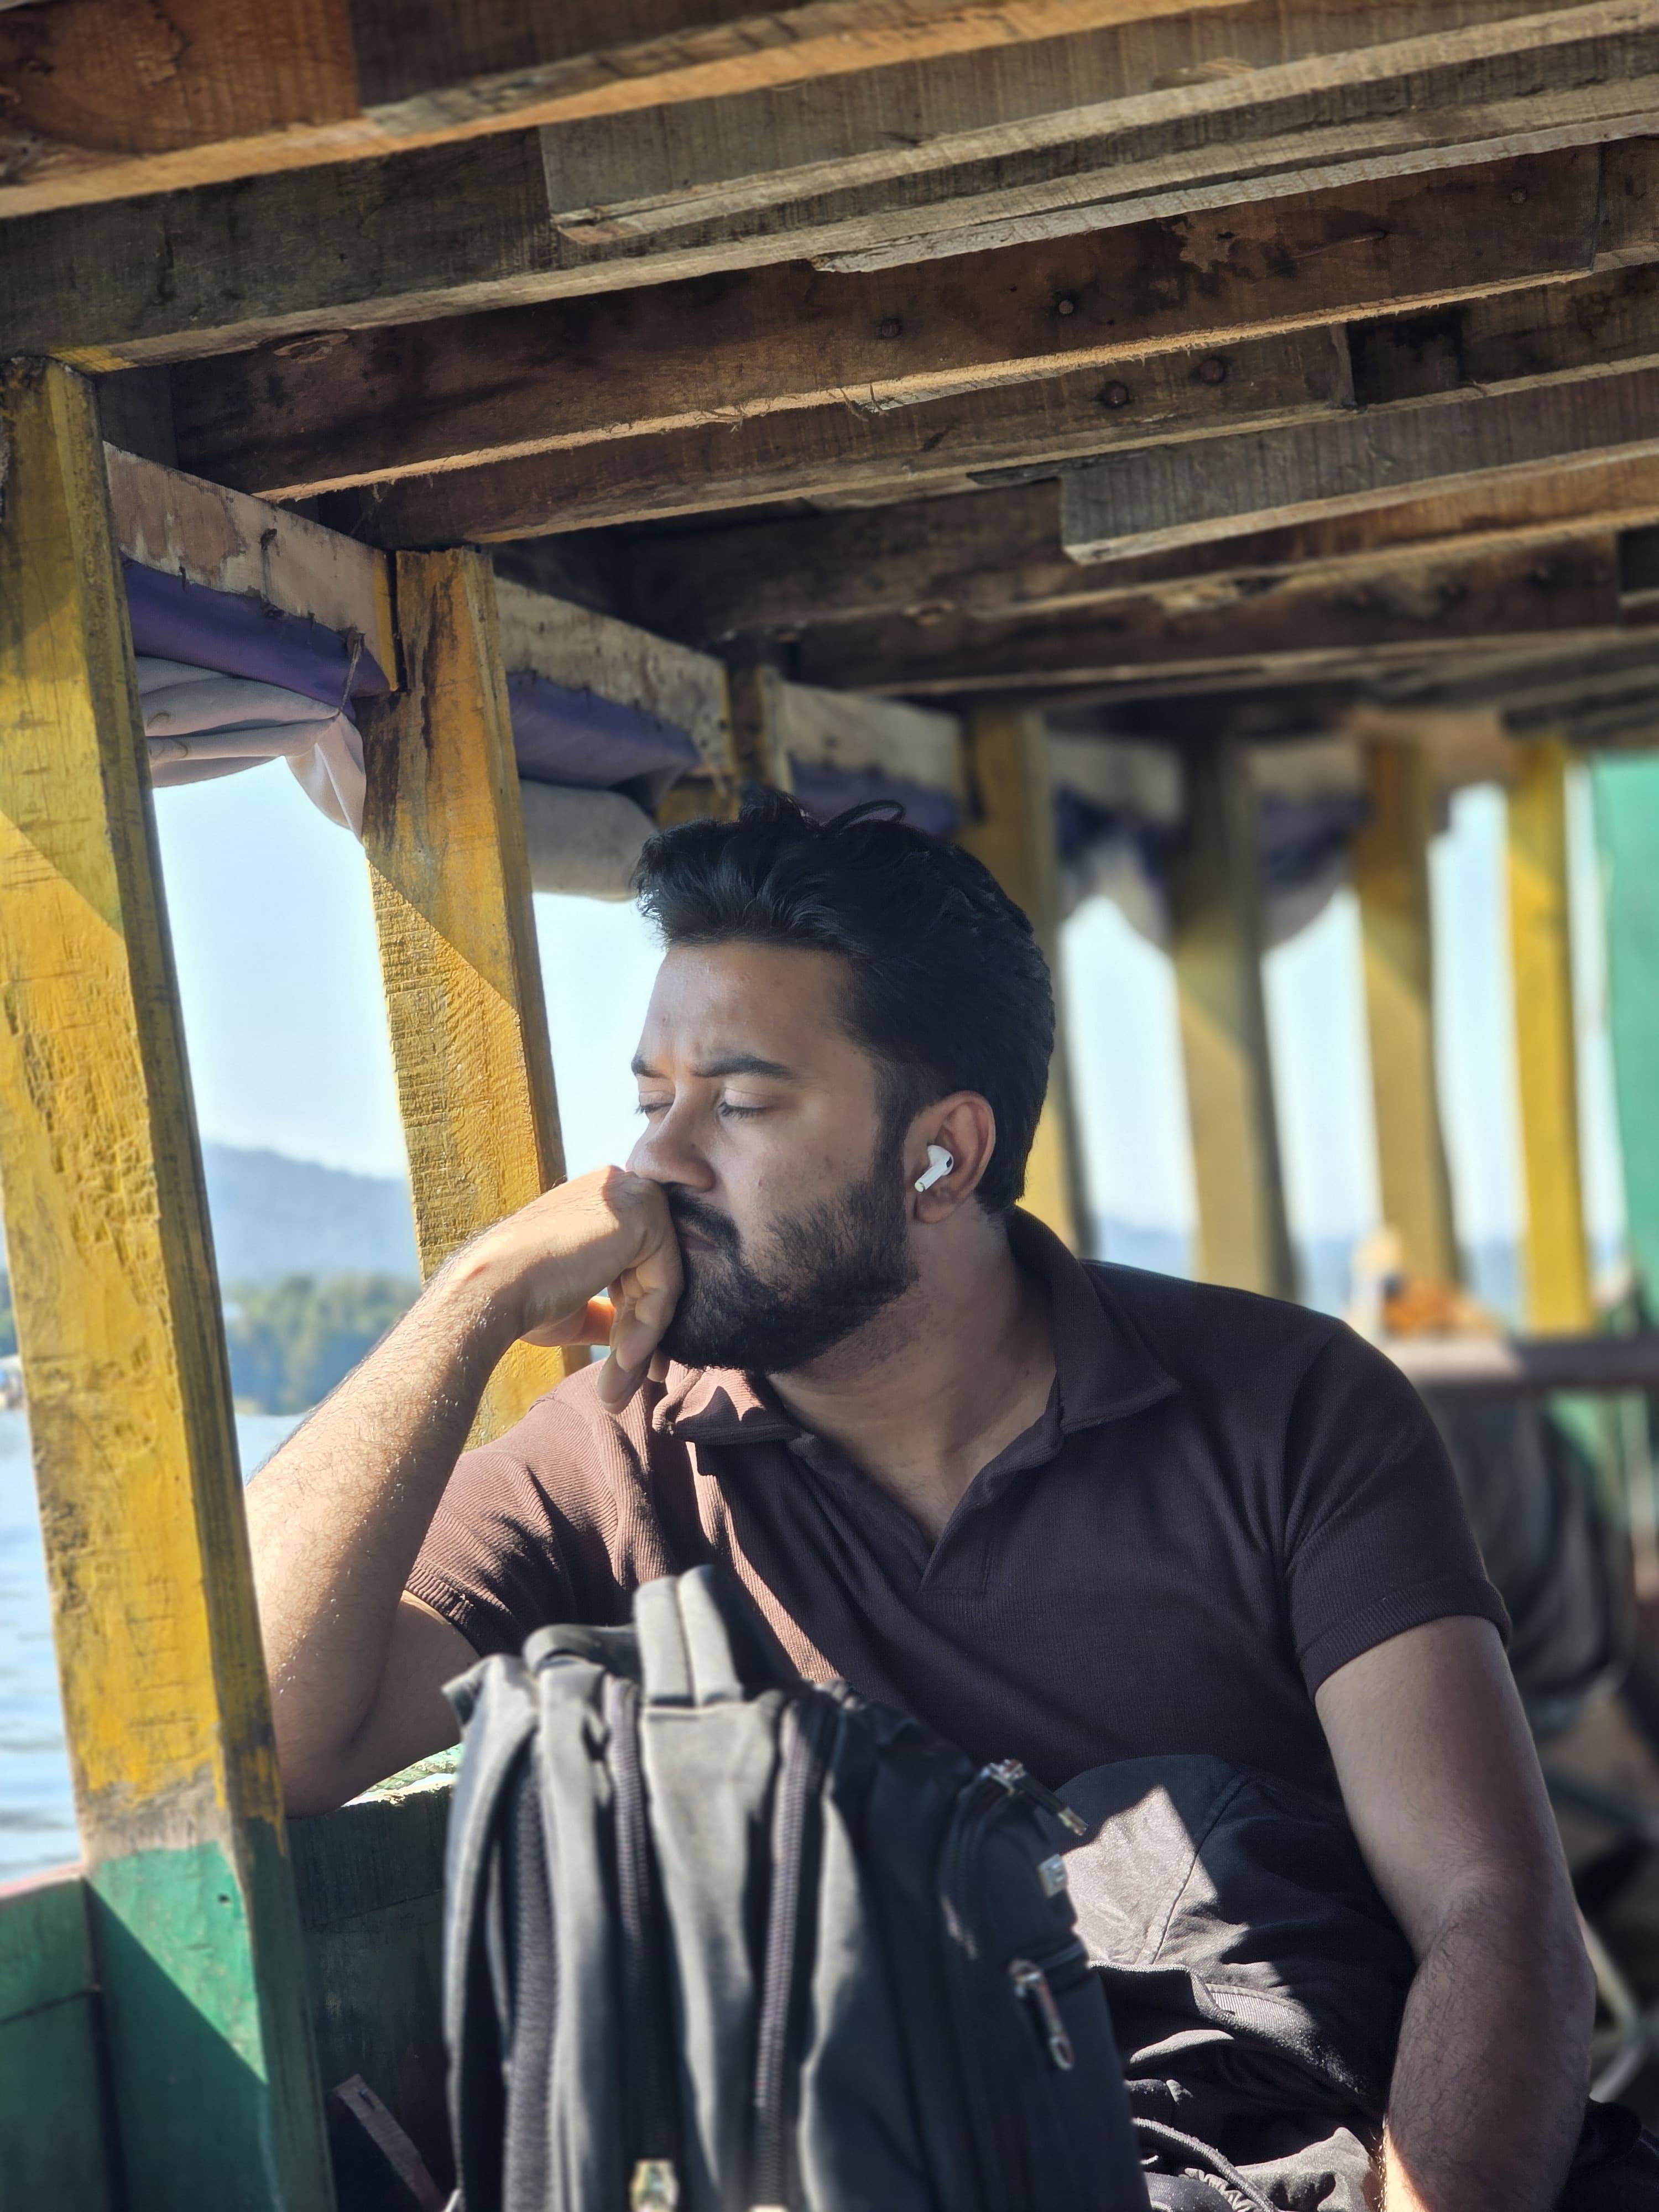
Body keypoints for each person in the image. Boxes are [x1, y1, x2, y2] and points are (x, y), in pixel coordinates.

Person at [250, 792, 1604, 2211]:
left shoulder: (1289, 1408)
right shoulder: (614, 1457)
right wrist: (470, 1297)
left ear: (943, 1154)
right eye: (653, 1101)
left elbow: (1492, 1910)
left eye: (739, 1103)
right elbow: (268, 1735)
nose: (656, 1163)